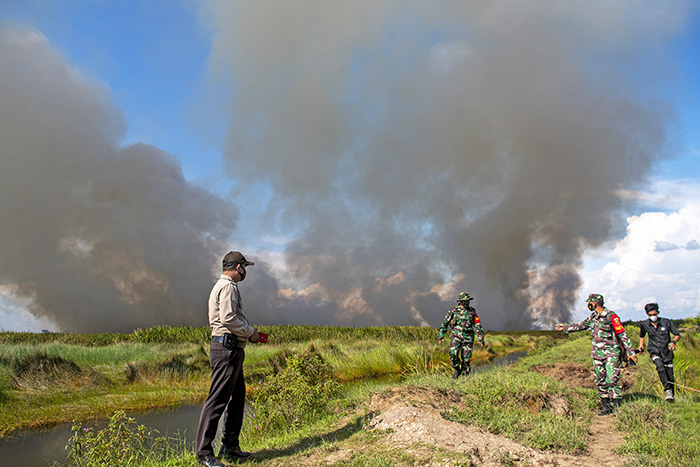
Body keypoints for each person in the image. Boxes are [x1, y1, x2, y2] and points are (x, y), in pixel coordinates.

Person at [195, 251, 261, 467]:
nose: (245, 272)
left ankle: (230, 445)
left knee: (237, 397)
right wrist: (250, 332)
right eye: (244, 267)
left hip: (230, 348)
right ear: (238, 267)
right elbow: (229, 318)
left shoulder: (224, 286)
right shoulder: (228, 287)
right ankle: (204, 452)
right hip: (227, 349)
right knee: (217, 399)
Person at [556, 293, 638, 415]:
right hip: (597, 355)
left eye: (589, 302)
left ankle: (616, 406)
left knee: (612, 379)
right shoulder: (593, 317)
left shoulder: (611, 316)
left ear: (594, 303)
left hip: (611, 353)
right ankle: (605, 406)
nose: (588, 305)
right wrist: (566, 327)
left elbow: (622, 334)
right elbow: (581, 325)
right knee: (600, 380)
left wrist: (630, 352)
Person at [638, 302, 680, 402]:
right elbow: (642, 335)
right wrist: (641, 345)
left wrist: (673, 342)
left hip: (667, 352)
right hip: (654, 350)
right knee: (660, 367)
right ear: (647, 314)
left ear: (658, 312)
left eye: (655, 314)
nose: (653, 317)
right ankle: (667, 390)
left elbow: (677, 334)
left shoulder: (666, 322)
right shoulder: (644, 324)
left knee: (669, 374)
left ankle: (671, 396)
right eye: (650, 315)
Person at [438, 292, 486, 378]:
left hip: (468, 337)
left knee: (466, 359)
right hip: (456, 337)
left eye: (468, 300)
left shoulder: (472, 311)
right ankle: (457, 369)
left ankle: (465, 377)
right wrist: (441, 334)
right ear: (460, 301)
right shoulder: (453, 310)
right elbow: (445, 323)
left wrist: (480, 338)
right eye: (465, 301)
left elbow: (477, 324)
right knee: (453, 353)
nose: (467, 302)